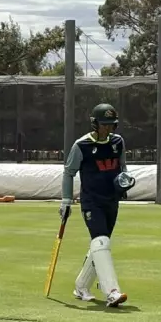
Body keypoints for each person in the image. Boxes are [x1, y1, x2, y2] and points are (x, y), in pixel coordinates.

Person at [61, 103, 134, 307]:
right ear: (95, 124)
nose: (108, 129)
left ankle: (81, 286)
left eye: (112, 125)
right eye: (104, 125)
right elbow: (68, 172)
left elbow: (123, 167)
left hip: (111, 200)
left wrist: (124, 182)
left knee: (101, 244)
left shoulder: (118, 142)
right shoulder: (81, 145)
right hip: (91, 201)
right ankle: (112, 291)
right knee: (100, 241)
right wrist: (66, 201)